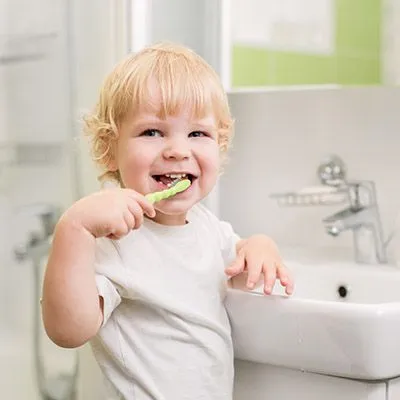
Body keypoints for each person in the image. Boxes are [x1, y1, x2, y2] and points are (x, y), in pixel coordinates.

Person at [42, 42, 294, 399]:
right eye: (152, 132)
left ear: (219, 146)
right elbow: (67, 330)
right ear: (108, 148)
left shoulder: (207, 228)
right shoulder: (113, 240)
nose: (178, 149)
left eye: (197, 134)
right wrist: (74, 230)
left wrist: (260, 245)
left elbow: (237, 262)